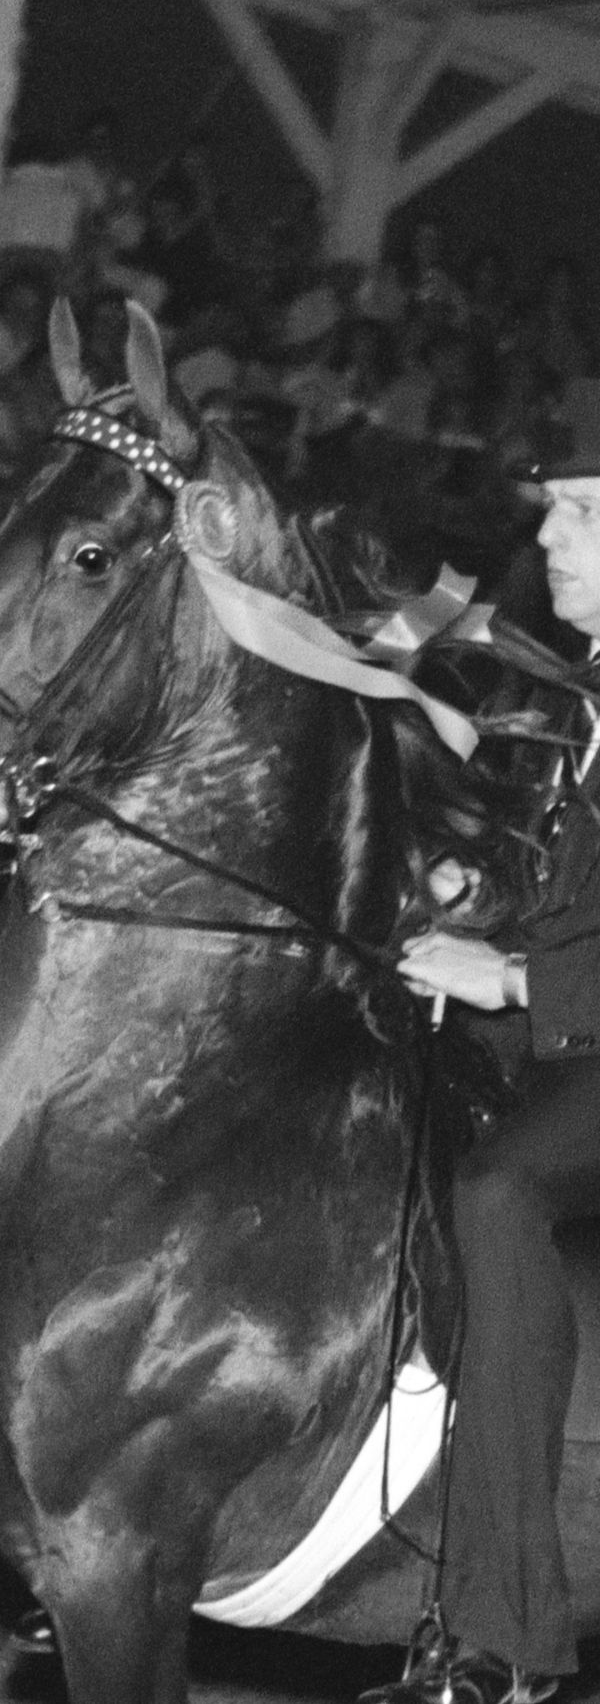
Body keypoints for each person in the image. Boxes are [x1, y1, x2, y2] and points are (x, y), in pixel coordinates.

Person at [362, 455, 600, 1704]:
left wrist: (509, 983)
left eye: (583, 511)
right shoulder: (584, 700)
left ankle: (509, 1650)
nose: (547, 533)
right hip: (559, 1040)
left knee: (501, 1192)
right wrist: (478, 910)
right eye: (552, 507)